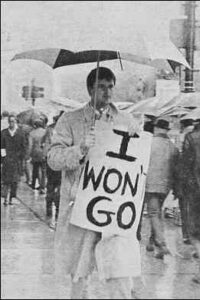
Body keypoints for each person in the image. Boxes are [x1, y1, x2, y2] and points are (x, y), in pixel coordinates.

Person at [47, 67, 142, 299]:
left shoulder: (127, 121)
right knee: (80, 275)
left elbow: (138, 164)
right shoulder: (70, 120)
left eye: (111, 86)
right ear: (90, 89)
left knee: (119, 275)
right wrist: (79, 149)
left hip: (115, 210)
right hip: (81, 208)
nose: (107, 92)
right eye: (101, 86)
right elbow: (53, 159)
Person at [145, 119, 179, 259]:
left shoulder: (149, 144)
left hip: (151, 184)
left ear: (157, 128)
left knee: (153, 212)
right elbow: (176, 169)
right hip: (166, 186)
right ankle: (151, 242)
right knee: (157, 212)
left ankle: (161, 244)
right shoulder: (173, 147)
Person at [180, 118, 200, 285]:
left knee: (195, 234)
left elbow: (185, 166)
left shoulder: (191, 138)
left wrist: (180, 188)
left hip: (197, 192)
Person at [175, 119, 194, 244]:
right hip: (198, 178)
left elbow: (178, 158)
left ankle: (187, 234)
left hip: (186, 178)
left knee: (185, 206)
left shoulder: (184, 137)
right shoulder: (199, 135)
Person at [42, 112, 63, 222]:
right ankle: (57, 209)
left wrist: (45, 158)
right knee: (59, 186)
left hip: (51, 161)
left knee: (51, 185)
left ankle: (49, 207)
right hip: (61, 162)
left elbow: (46, 145)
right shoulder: (67, 130)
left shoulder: (50, 129)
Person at [1, 114, 26, 205]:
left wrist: (22, 158)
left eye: (13, 121)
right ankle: (5, 198)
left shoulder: (20, 133)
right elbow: (1, 147)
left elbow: (24, 147)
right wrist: (3, 158)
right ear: (8, 122)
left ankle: (12, 197)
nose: (11, 123)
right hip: (7, 160)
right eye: (10, 121)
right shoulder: (3, 133)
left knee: (15, 180)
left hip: (17, 160)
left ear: (16, 122)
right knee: (6, 180)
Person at [28, 119, 47, 194]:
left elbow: (30, 145)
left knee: (35, 169)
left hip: (35, 153)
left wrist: (29, 154)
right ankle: (42, 186)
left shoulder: (32, 133)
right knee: (43, 170)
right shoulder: (45, 132)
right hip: (44, 152)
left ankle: (33, 184)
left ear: (35, 125)